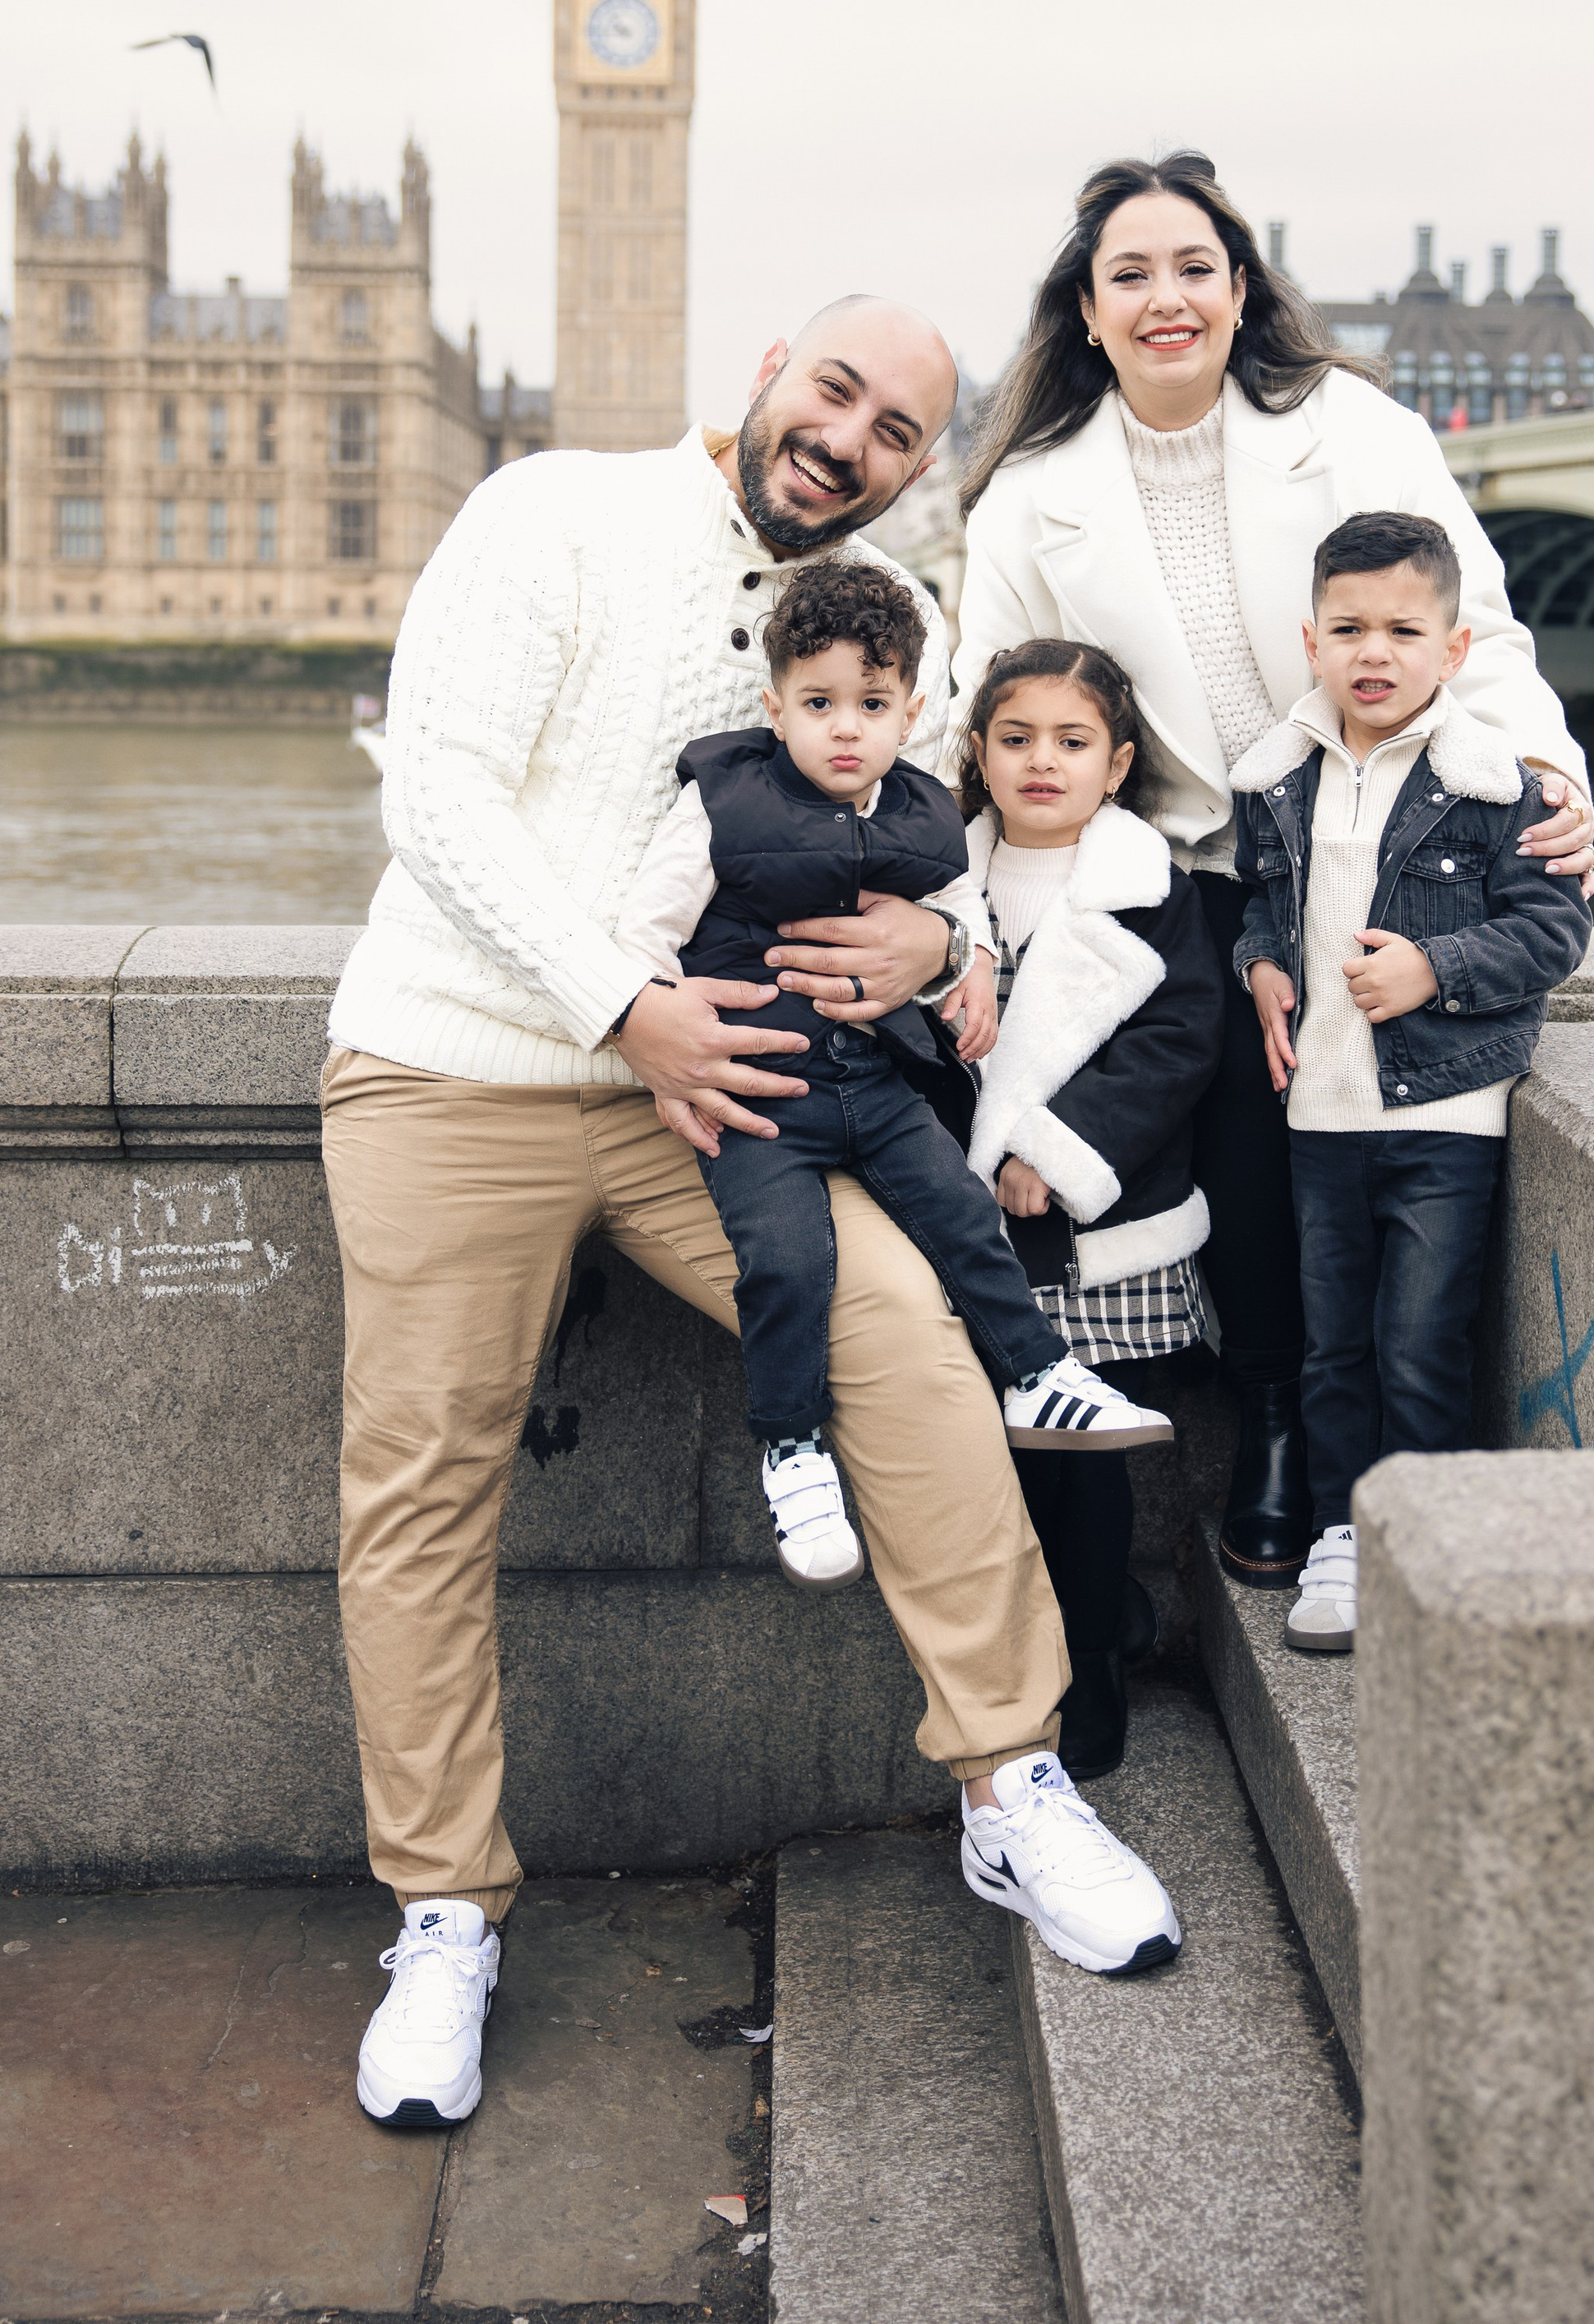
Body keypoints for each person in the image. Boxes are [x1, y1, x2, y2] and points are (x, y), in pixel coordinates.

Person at [322, 297, 1184, 2135]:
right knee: (420, 1482)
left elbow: (944, 829)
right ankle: (444, 1909)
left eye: (898, 432)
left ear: (917, 469)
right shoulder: (554, 511)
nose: (850, 440)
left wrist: (934, 939)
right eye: (836, 391)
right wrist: (617, 1002)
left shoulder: (889, 618)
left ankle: (1011, 1784)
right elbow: (441, 801)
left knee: (910, 1343)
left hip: (716, 1101)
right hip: (456, 1068)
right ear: (771, 367)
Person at [955, 152, 1594, 1589]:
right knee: (1248, 1138)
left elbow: (1478, 629)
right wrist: (945, 917)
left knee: (1329, 1142)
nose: (1167, 298)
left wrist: (1547, 780)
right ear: (1087, 309)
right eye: (1130, 274)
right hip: (1179, 864)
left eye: (1195, 268)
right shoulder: (1026, 500)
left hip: (1374, 845)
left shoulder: (1354, 429)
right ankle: (1278, 1412)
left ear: (1241, 290)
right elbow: (973, 713)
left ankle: (1311, 1428)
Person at [613, 556, 1172, 1591]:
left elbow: (958, 908)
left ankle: (1039, 1374)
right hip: (760, 1093)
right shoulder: (723, 799)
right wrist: (663, 1038)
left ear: (911, 712)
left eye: (870, 705)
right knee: (786, 1260)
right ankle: (792, 1447)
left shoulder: (920, 808)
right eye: (818, 702)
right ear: (774, 706)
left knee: (963, 1216)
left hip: (876, 1086)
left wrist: (973, 964)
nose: (845, 728)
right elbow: (645, 930)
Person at [1229, 510, 1594, 1651]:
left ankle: (1418, 1545)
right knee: (1332, 1346)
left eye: (1402, 629)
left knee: (1420, 1344)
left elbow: (1553, 931)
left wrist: (1436, 966)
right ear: (1311, 642)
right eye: (1348, 629)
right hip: (1319, 1114)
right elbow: (1262, 904)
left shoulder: (1496, 785)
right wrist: (1261, 966)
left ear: (1454, 648)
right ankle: (1340, 1534)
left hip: (1443, 1115)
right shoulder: (1276, 778)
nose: (1373, 652)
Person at [947, 638, 1223, 1780]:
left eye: (1072, 742)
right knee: (989, 1460)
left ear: (1115, 766)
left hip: (1088, 1228)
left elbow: (1177, 1041)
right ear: (979, 752)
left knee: (1081, 1454)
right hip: (963, 1216)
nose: (1042, 762)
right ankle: (1032, 1659)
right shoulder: (938, 882)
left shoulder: (1149, 890)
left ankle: (1096, 1661)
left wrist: (1054, 1152)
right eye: (1016, 739)